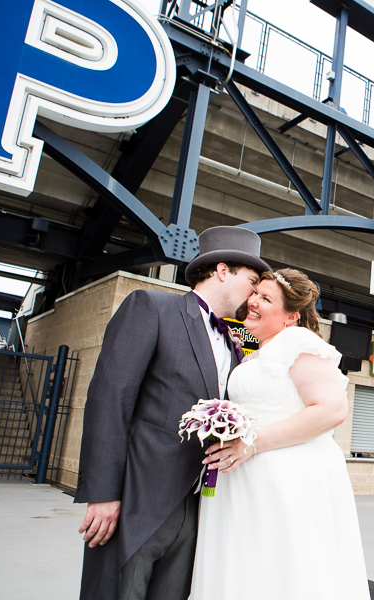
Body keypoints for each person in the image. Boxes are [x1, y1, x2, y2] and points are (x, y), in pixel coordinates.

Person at [74, 226, 270, 600]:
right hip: (137, 497)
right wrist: (102, 493)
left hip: (198, 504)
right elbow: (110, 397)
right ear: (223, 271)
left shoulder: (234, 345)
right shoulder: (151, 307)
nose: (255, 294)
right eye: (252, 281)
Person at [189, 268, 371, 600]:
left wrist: (251, 442)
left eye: (266, 298)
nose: (253, 302)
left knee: (279, 567)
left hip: (284, 480)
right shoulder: (255, 354)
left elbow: (332, 410)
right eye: (255, 294)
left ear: (291, 317)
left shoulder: (297, 342)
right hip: (242, 481)